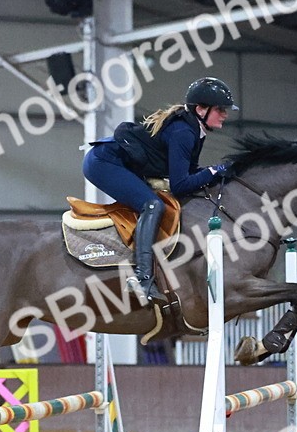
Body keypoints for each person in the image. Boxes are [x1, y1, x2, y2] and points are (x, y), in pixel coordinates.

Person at [83, 77, 238, 305]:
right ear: (201, 109)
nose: (224, 114)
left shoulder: (195, 129)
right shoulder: (184, 132)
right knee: (152, 204)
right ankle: (142, 279)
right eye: (220, 109)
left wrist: (214, 172)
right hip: (103, 162)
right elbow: (181, 185)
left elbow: (190, 172)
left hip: (115, 160)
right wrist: (214, 171)